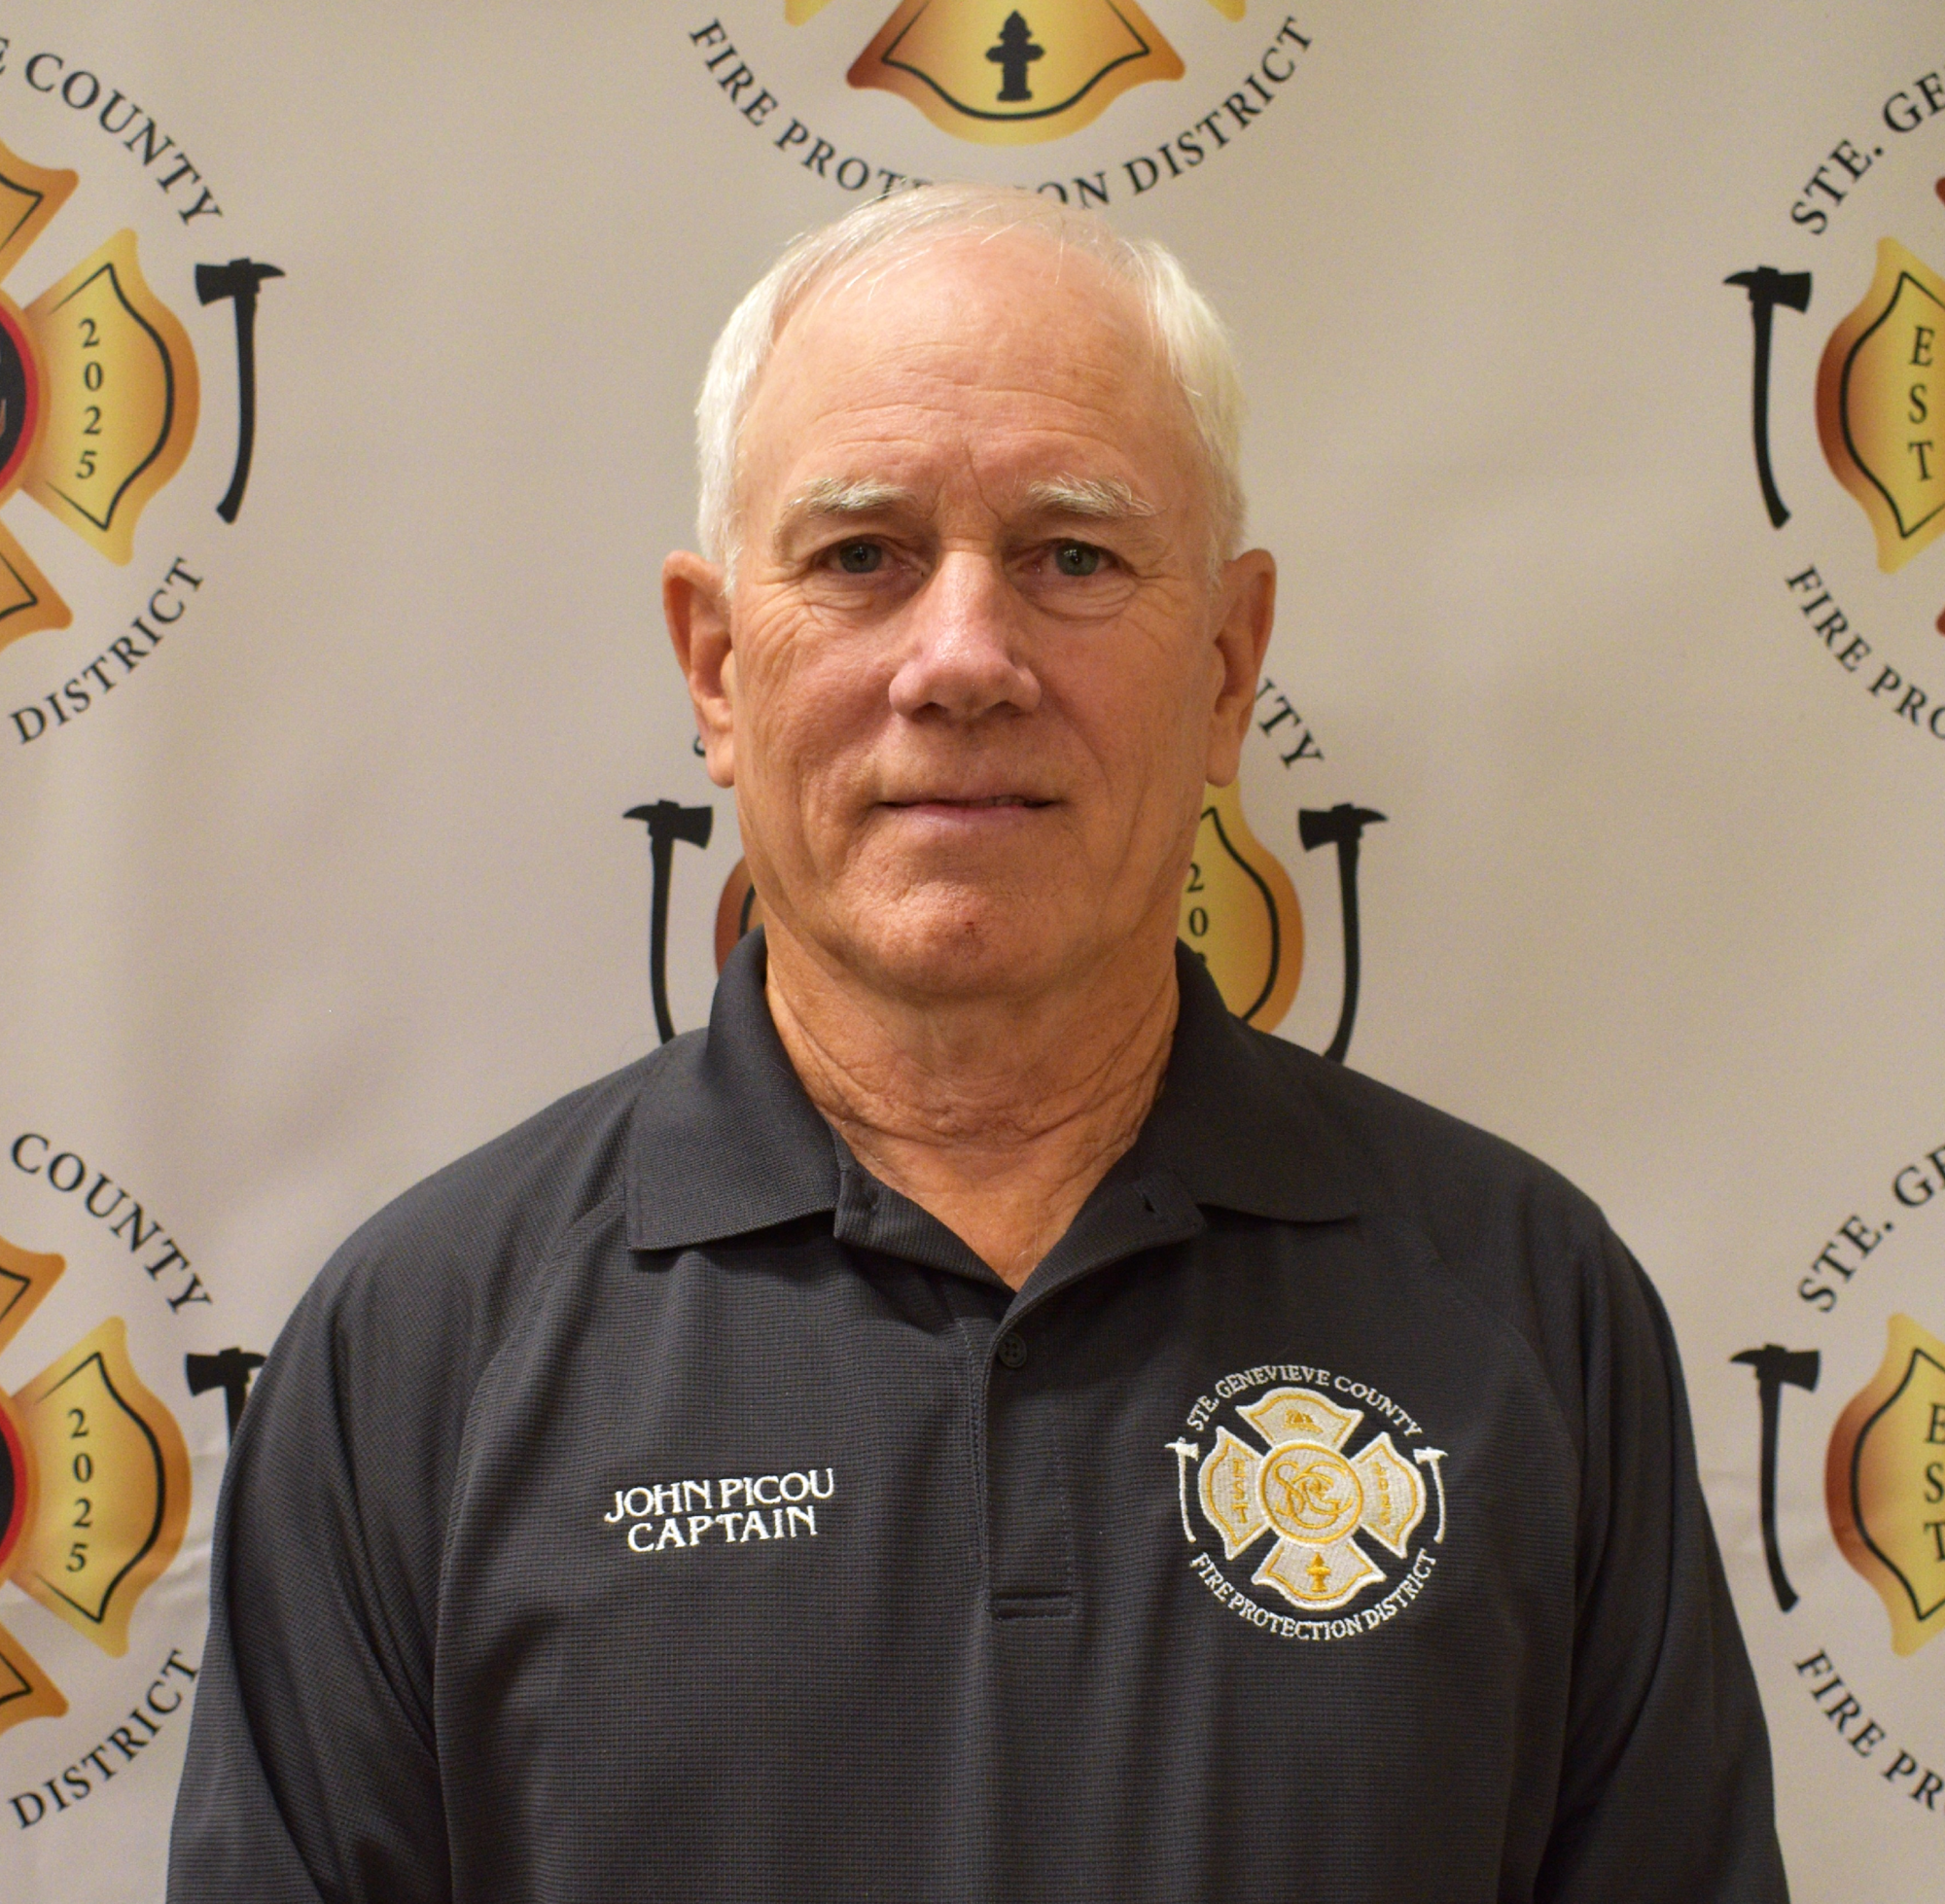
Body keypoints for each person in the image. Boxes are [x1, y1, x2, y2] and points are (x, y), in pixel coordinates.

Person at [168, 185, 1788, 1903]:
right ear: (715, 670)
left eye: (1072, 556)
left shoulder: (1530, 1309)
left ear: (1227, 667)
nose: (963, 660)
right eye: (860, 556)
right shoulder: (419, 1351)